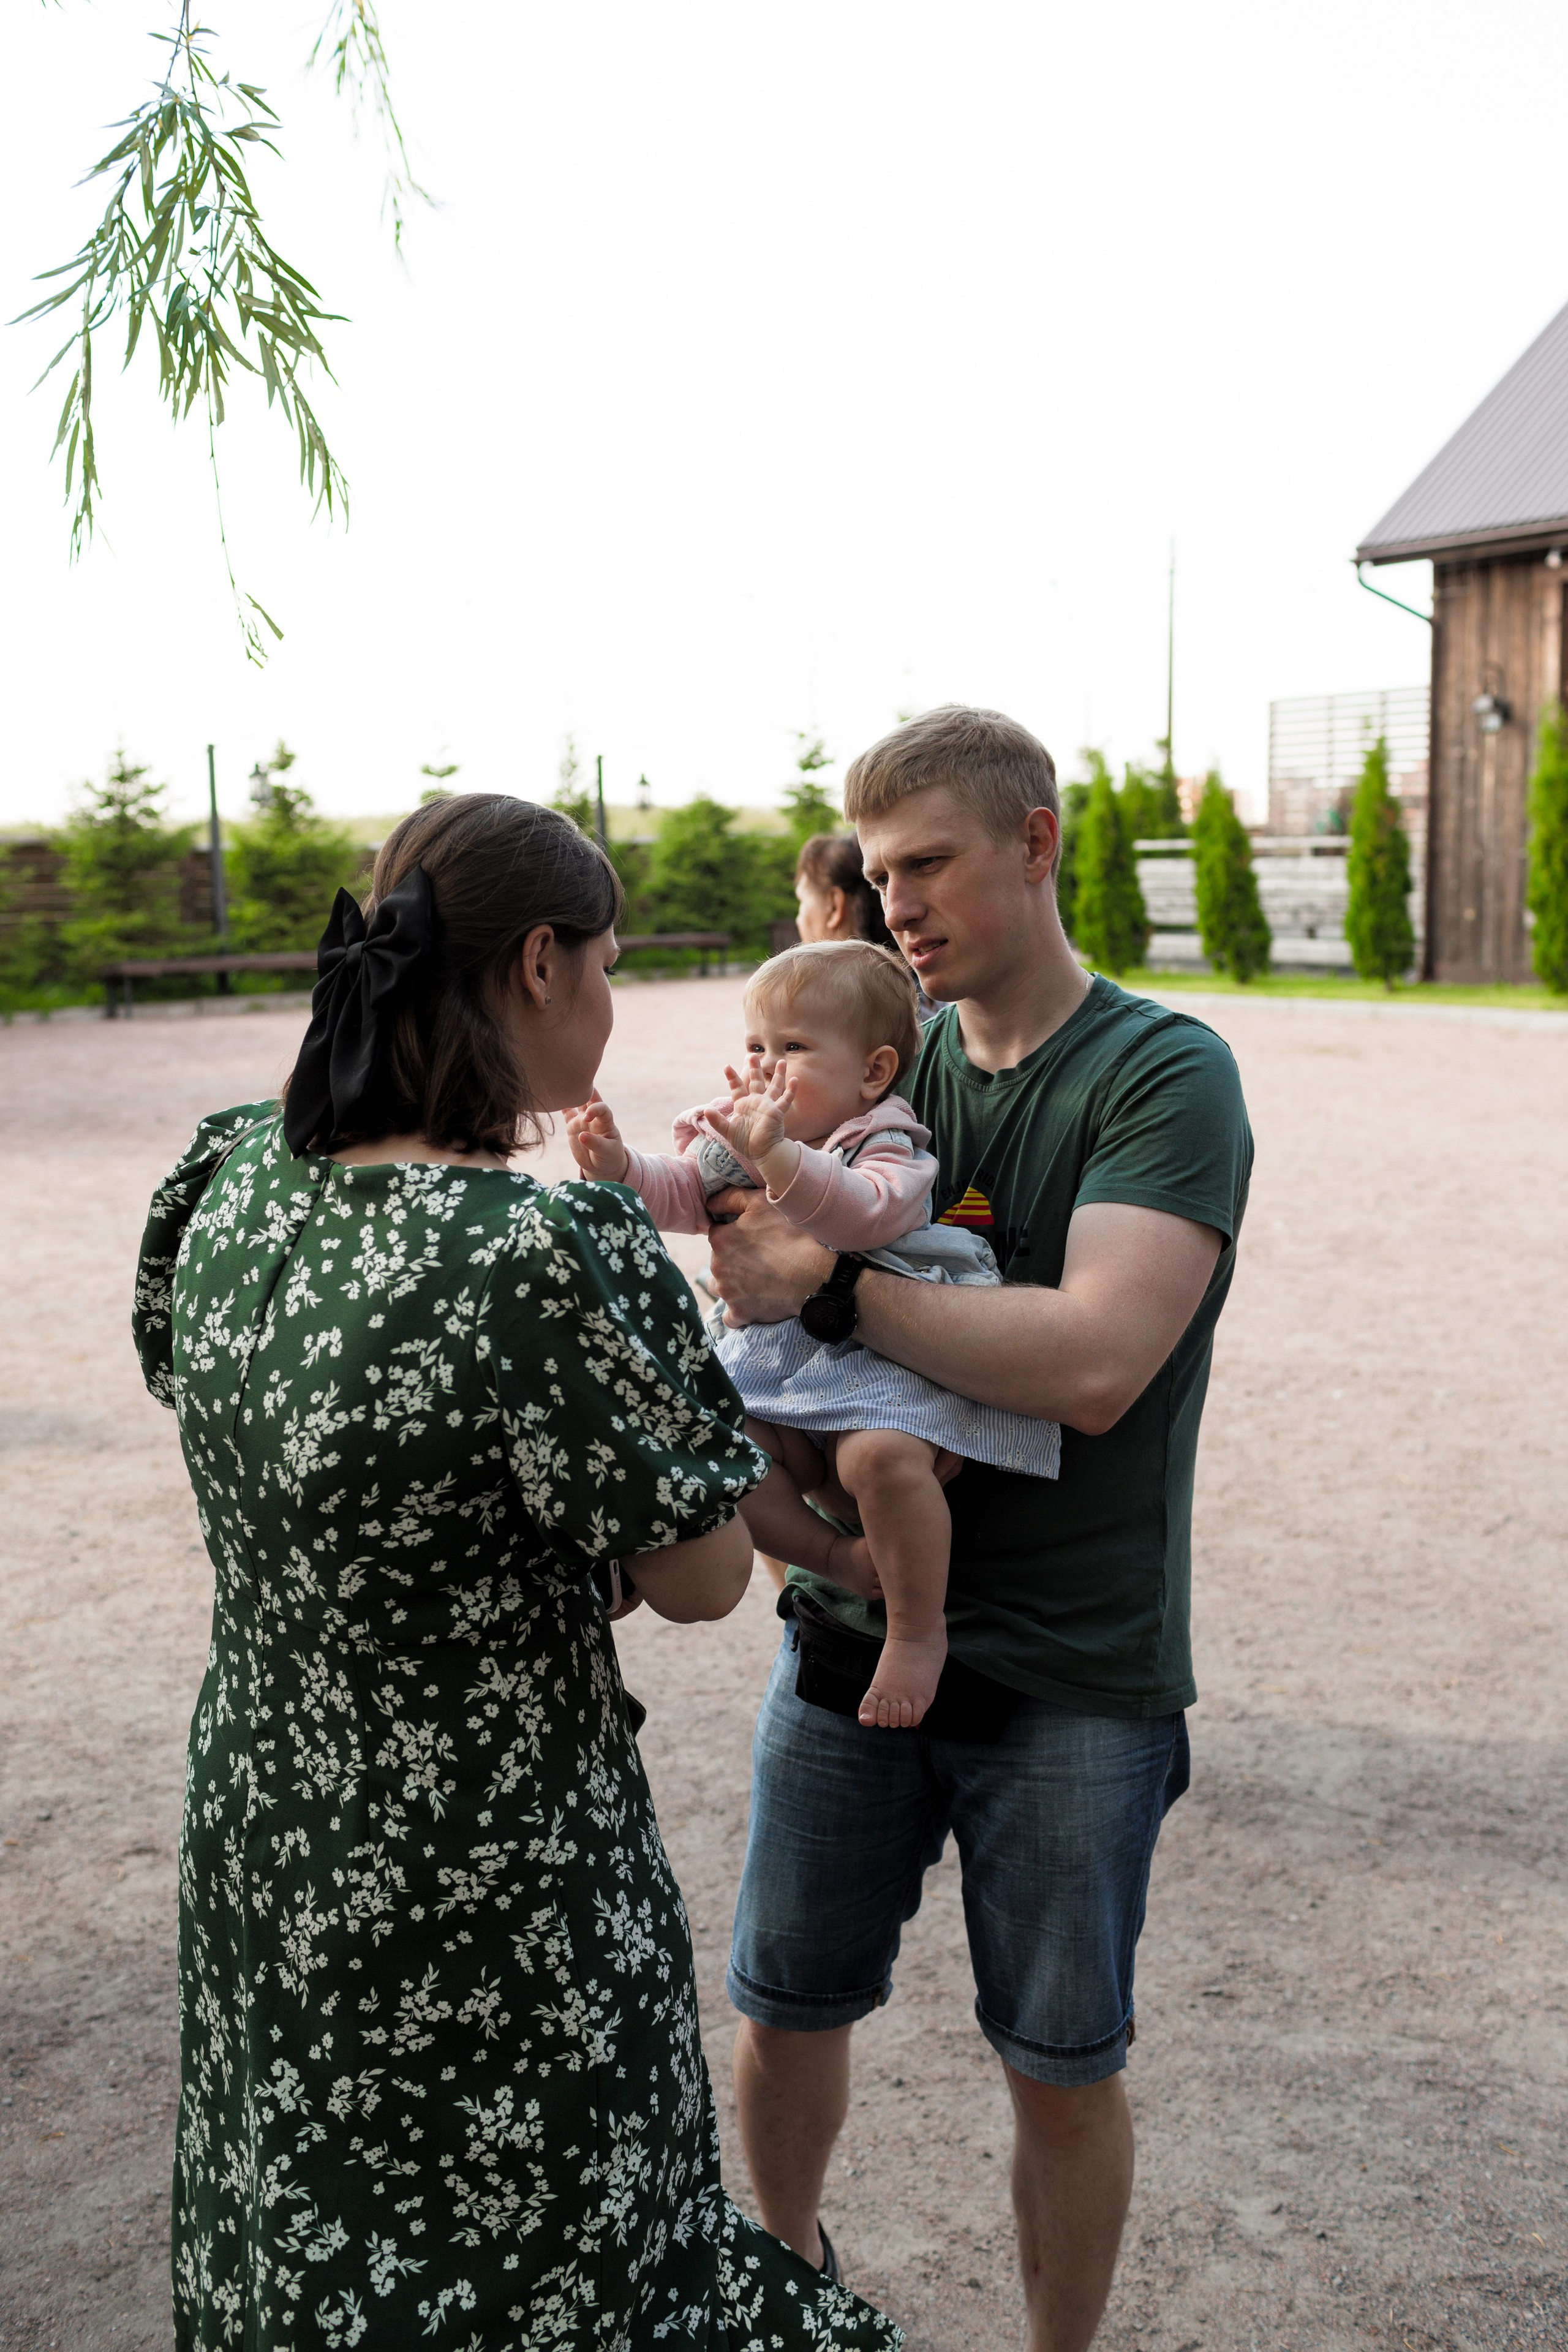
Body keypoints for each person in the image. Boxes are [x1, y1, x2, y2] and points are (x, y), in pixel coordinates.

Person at [132, 794, 900, 2351]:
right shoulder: (539, 1250)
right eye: (608, 966)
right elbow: (694, 1579)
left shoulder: (227, 1184)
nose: (614, 1006)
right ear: (540, 965)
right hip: (487, 1855)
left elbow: (283, 1448)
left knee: (313, 2207)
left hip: (276, 1814)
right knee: (549, 2250)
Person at [707, 708, 1254, 2352]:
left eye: (929, 863)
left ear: (1036, 842)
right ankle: (784, 2296)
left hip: (1077, 1672)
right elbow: (745, 1262)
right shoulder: (881, 1053)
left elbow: (1094, 1362)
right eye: (877, 877)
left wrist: (841, 1286)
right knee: (785, 2009)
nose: (900, 908)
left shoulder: (1163, 1072)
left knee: (1062, 2066)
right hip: (847, 1638)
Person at [565, 938, 1058, 1728]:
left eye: (793, 1048)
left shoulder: (886, 1142)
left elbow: (862, 1213)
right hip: (783, 1363)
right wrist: (619, 1165)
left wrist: (779, 1154)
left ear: (872, 1072)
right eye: (757, 1045)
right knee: (730, 1452)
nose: (767, 1066)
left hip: (882, 1359)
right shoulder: (745, 1135)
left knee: (881, 1458)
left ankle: (915, 1630)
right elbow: (685, 1195)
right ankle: (833, 1559)